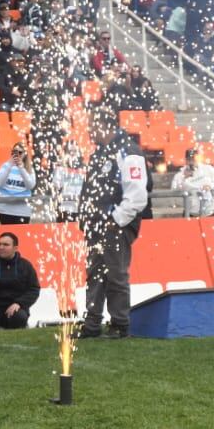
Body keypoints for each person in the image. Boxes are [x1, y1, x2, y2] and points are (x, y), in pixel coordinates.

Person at [78, 107, 150, 339]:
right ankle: (92, 324)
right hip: (97, 224)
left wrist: (116, 220)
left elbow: (137, 194)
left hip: (114, 225)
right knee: (95, 274)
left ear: (103, 125)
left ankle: (120, 323)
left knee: (115, 275)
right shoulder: (101, 153)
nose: (89, 131)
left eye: (92, 126)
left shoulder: (128, 152)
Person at [171, 148, 214, 217]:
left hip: (209, 211)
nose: (192, 162)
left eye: (193, 159)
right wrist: (184, 177)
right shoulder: (180, 174)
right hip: (191, 213)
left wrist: (210, 186)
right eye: (189, 159)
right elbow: (174, 189)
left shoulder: (208, 169)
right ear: (186, 160)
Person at [0, 143, 35, 224]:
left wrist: (21, 168)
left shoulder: (29, 168)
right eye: (14, 152)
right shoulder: (5, 166)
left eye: (20, 153)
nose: (17, 155)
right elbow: (0, 182)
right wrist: (9, 166)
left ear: (24, 154)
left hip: (22, 210)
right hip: (5, 210)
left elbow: (30, 185)